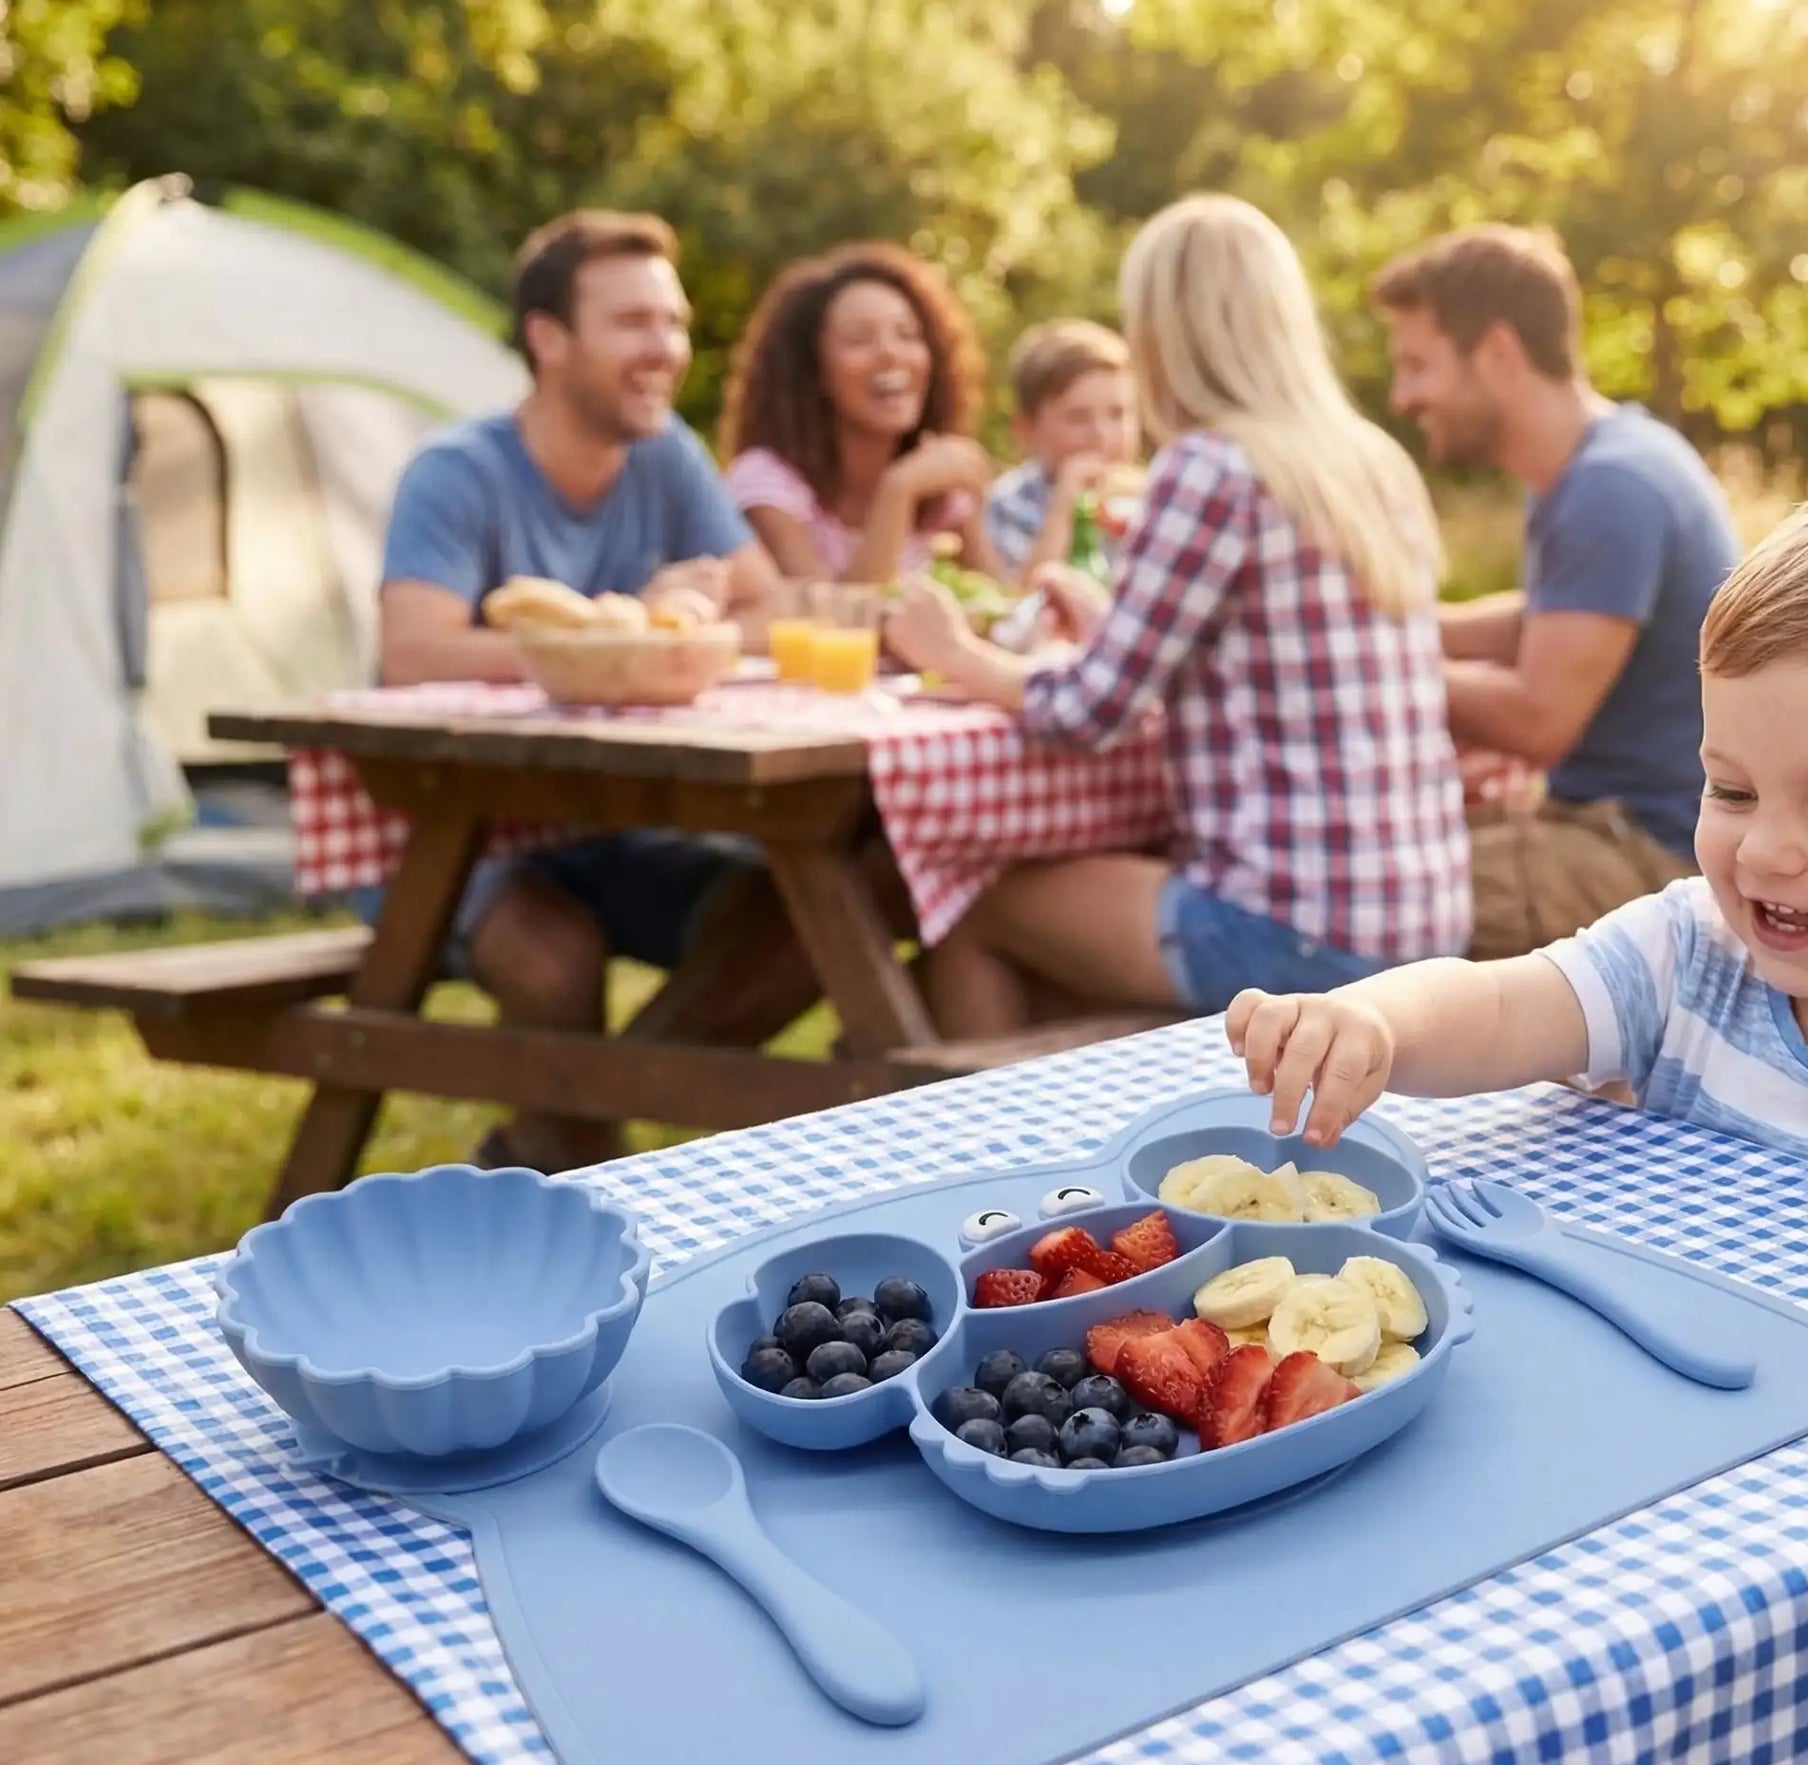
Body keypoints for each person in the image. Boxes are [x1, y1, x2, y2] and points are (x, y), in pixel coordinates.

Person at [1227, 463, 1808, 1234]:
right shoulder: (1689, 953)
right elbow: (1502, 1006)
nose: (1762, 853)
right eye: (1731, 792)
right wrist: (1374, 1021)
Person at [881, 194, 1470, 1038]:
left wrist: (956, 654)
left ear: (1164, 332)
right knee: (1056, 946)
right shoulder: (1368, 460)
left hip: (1292, 932)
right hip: (1421, 919)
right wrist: (1106, 623)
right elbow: (1248, 659)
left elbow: (1092, 711)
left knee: (967, 904)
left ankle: (999, 1161)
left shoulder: (1212, 467)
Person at [371, 207, 781, 1175]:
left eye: (672, 323)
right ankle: (595, 1180)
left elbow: (765, 608)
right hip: (466, 834)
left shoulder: (665, 453)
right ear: (546, 338)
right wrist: (622, 622)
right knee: (552, 961)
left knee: (791, 913)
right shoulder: (457, 472)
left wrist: (670, 630)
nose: (666, 350)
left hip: (624, 825)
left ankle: (560, 1145)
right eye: (634, 323)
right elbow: (413, 651)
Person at [1373, 224, 1743, 958]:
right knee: (1367, 840)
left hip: (1649, 854)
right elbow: (1548, 618)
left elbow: (1540, 718)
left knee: (1354, 892)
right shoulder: (1591, 466)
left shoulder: (1612, 487)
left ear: (1499, 353)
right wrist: (1400, 622)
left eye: (1418, 365)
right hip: (1600, 824)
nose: (1402, 396)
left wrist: (1379, 661)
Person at [720, 243, 998, 582]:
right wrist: (897, 492)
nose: (891, 353)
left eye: (907, 335)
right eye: (859, 340)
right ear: (813, 370)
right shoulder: (767, 484)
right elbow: (838, 624)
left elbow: (1005, 613)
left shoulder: (938, 486)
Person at [983, 318, 1141, 587]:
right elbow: (1021, 604)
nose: (1102, 435)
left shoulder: (1147, 499)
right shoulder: (1007, 504)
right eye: (1078, 418)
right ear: (1027, 432)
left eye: (1117, 414)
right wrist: (1064, 510)